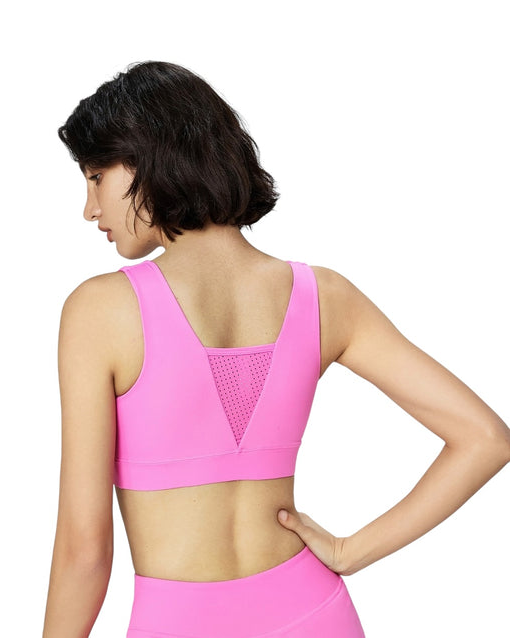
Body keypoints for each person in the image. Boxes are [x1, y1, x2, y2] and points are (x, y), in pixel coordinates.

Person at [42, 61, 510, 638]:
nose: (90, 208)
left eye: (96, 176)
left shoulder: (100, 311)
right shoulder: (325, 297)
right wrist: (348, 552)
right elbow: (485, 438)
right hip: (316, 615)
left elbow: (85, 551)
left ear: (147, 160)